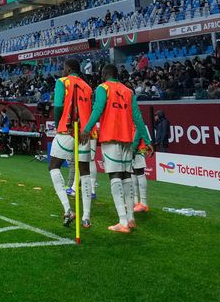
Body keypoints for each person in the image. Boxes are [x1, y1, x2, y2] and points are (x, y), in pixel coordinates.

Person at [79, 64, 147, 233]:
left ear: (104, 73)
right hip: (127, 140)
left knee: (115, 176)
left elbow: (98, 109)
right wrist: (146, 139)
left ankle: (122, 222)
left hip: (111, 137)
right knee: (126, 176)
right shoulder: (128, 91)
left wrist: (87, 128)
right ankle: (130, 218)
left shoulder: (102, 88)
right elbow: (137, 116)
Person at [48, 59, 94, 228]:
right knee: (85, 173)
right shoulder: (88, 87)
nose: (62, 70)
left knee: (53, 165)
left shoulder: (62, 82)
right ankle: (87, 217)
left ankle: (68, 209)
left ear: (68, 69)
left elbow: (58, 106)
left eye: (63, 68)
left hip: (67, 130)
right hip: (84, 133)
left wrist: (58, 123)